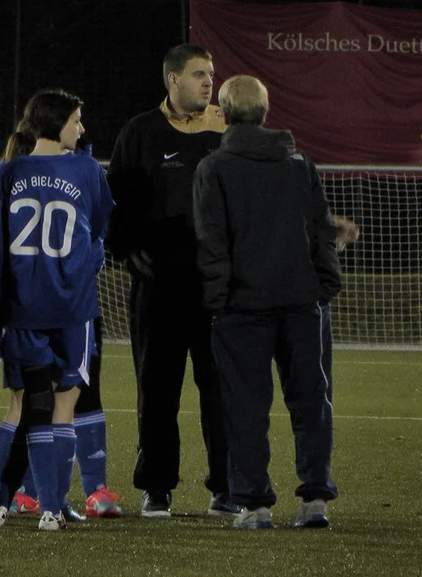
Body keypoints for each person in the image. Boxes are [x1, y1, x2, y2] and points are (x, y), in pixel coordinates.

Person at [193, 75, 340, 529]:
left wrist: (219, 300)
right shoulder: (299, 166)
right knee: (311, 401)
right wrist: (324, 286)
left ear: (224, 112)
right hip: (300, 304)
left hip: (243, 308)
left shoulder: (214, 168)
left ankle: (254, 506)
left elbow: (211, 242)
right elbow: (322, 231)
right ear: (264, 111)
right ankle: (315, 500)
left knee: (244, 407)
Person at [105, 44, 238, 518]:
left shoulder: (228, 129)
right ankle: (156, 485)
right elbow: (115, 200)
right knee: (157, 387)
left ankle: (226, 486)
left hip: (216, 286)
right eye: (199, 74)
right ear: (172, 80)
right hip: (159, 285)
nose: (209, 82)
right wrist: (126, 250)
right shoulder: (140, 132)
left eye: (212, 74)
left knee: (220, 388)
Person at [0, 89, 115, 531]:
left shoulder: (6, 173)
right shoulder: (88, 169)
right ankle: (52, 506)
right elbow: (100, 230)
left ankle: (7, 503)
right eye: (76, 120)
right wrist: (85, 265)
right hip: (73, 306)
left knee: (24, 405)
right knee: (63, 406)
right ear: (57, 124)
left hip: (24, 306)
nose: (82, 128)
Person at [10, 137, 122, 520]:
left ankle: (76, 490)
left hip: (42, 303)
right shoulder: (56, 174)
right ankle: (35, 494)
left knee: (63, 393)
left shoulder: (15, 176)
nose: (81, 127)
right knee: (51, 396)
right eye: (75, 119)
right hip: (62, 301)